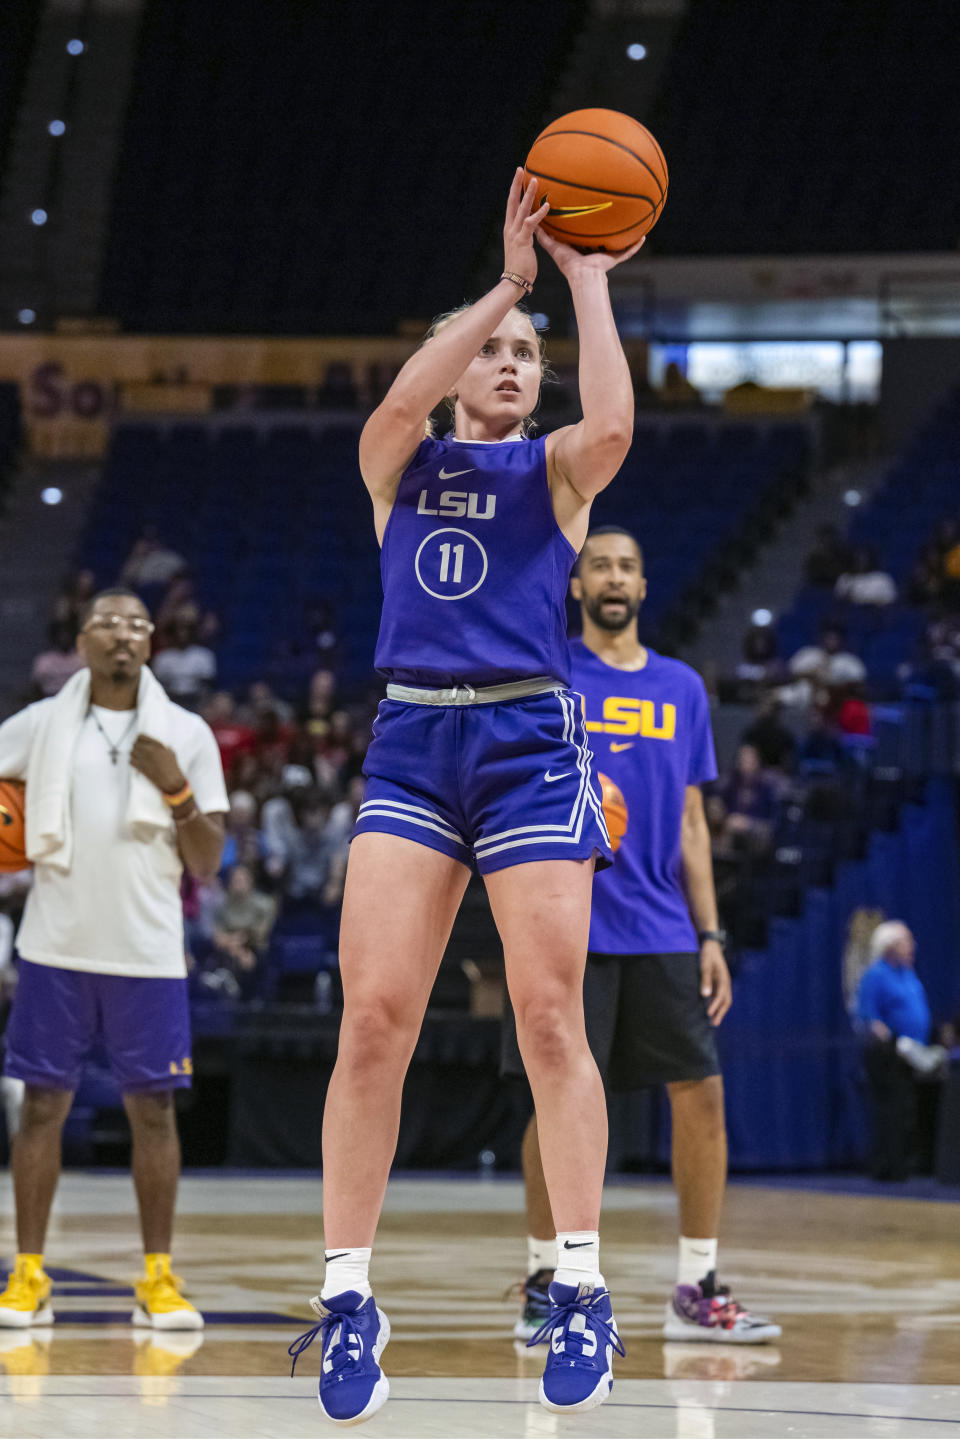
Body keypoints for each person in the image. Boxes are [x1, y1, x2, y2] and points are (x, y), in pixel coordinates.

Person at [287, 173, 641, 1423]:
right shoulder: (404, 461)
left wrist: (585, 290)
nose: (507, 361)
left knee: (550, 1020)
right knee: (374, 1021)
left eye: (522, 353)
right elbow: (392, 399)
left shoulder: (555, 472)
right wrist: (506, 281)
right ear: (454, 366)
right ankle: (347, 1303)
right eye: (489, 349)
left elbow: (614, 431)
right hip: (414, 744)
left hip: (529, 740)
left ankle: (583, 1286)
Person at [502, 527, 781, 1347]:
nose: (613, 577)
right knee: (553, 1102)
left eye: (626, 564)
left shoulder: (682, 687)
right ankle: (547, 1283)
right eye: (598, 565)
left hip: (661, 926)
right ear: (576, 586)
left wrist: (711, 933)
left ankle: (696, 1288)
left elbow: (694, 822)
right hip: (567, 925)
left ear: (644, 586)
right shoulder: (546, 676)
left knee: (702, 1094)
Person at [0, 588, 228, 1329]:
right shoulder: (38, 726)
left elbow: (207, 863)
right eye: (108, 622)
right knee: (41, 1110)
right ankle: (29, 1275)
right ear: (83, 639)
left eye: (137, 624)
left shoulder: (187, 734)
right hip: (55, 945)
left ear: (153, 643)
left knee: (155, 1114)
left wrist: (177, 788)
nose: (123, 635)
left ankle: (157, 1280)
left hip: (148, 950)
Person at [856, 921, 946, 1181]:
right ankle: (888, 1168)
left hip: (912, 1053)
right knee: (890, 1110)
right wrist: (893, 1042)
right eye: (906, 941)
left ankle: (906, 1163)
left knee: (908, 1109)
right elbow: (868, 1016)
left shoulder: (908, 974)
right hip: (887, 1054)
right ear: (888, 947)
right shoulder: (876, 975)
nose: (912, 946)